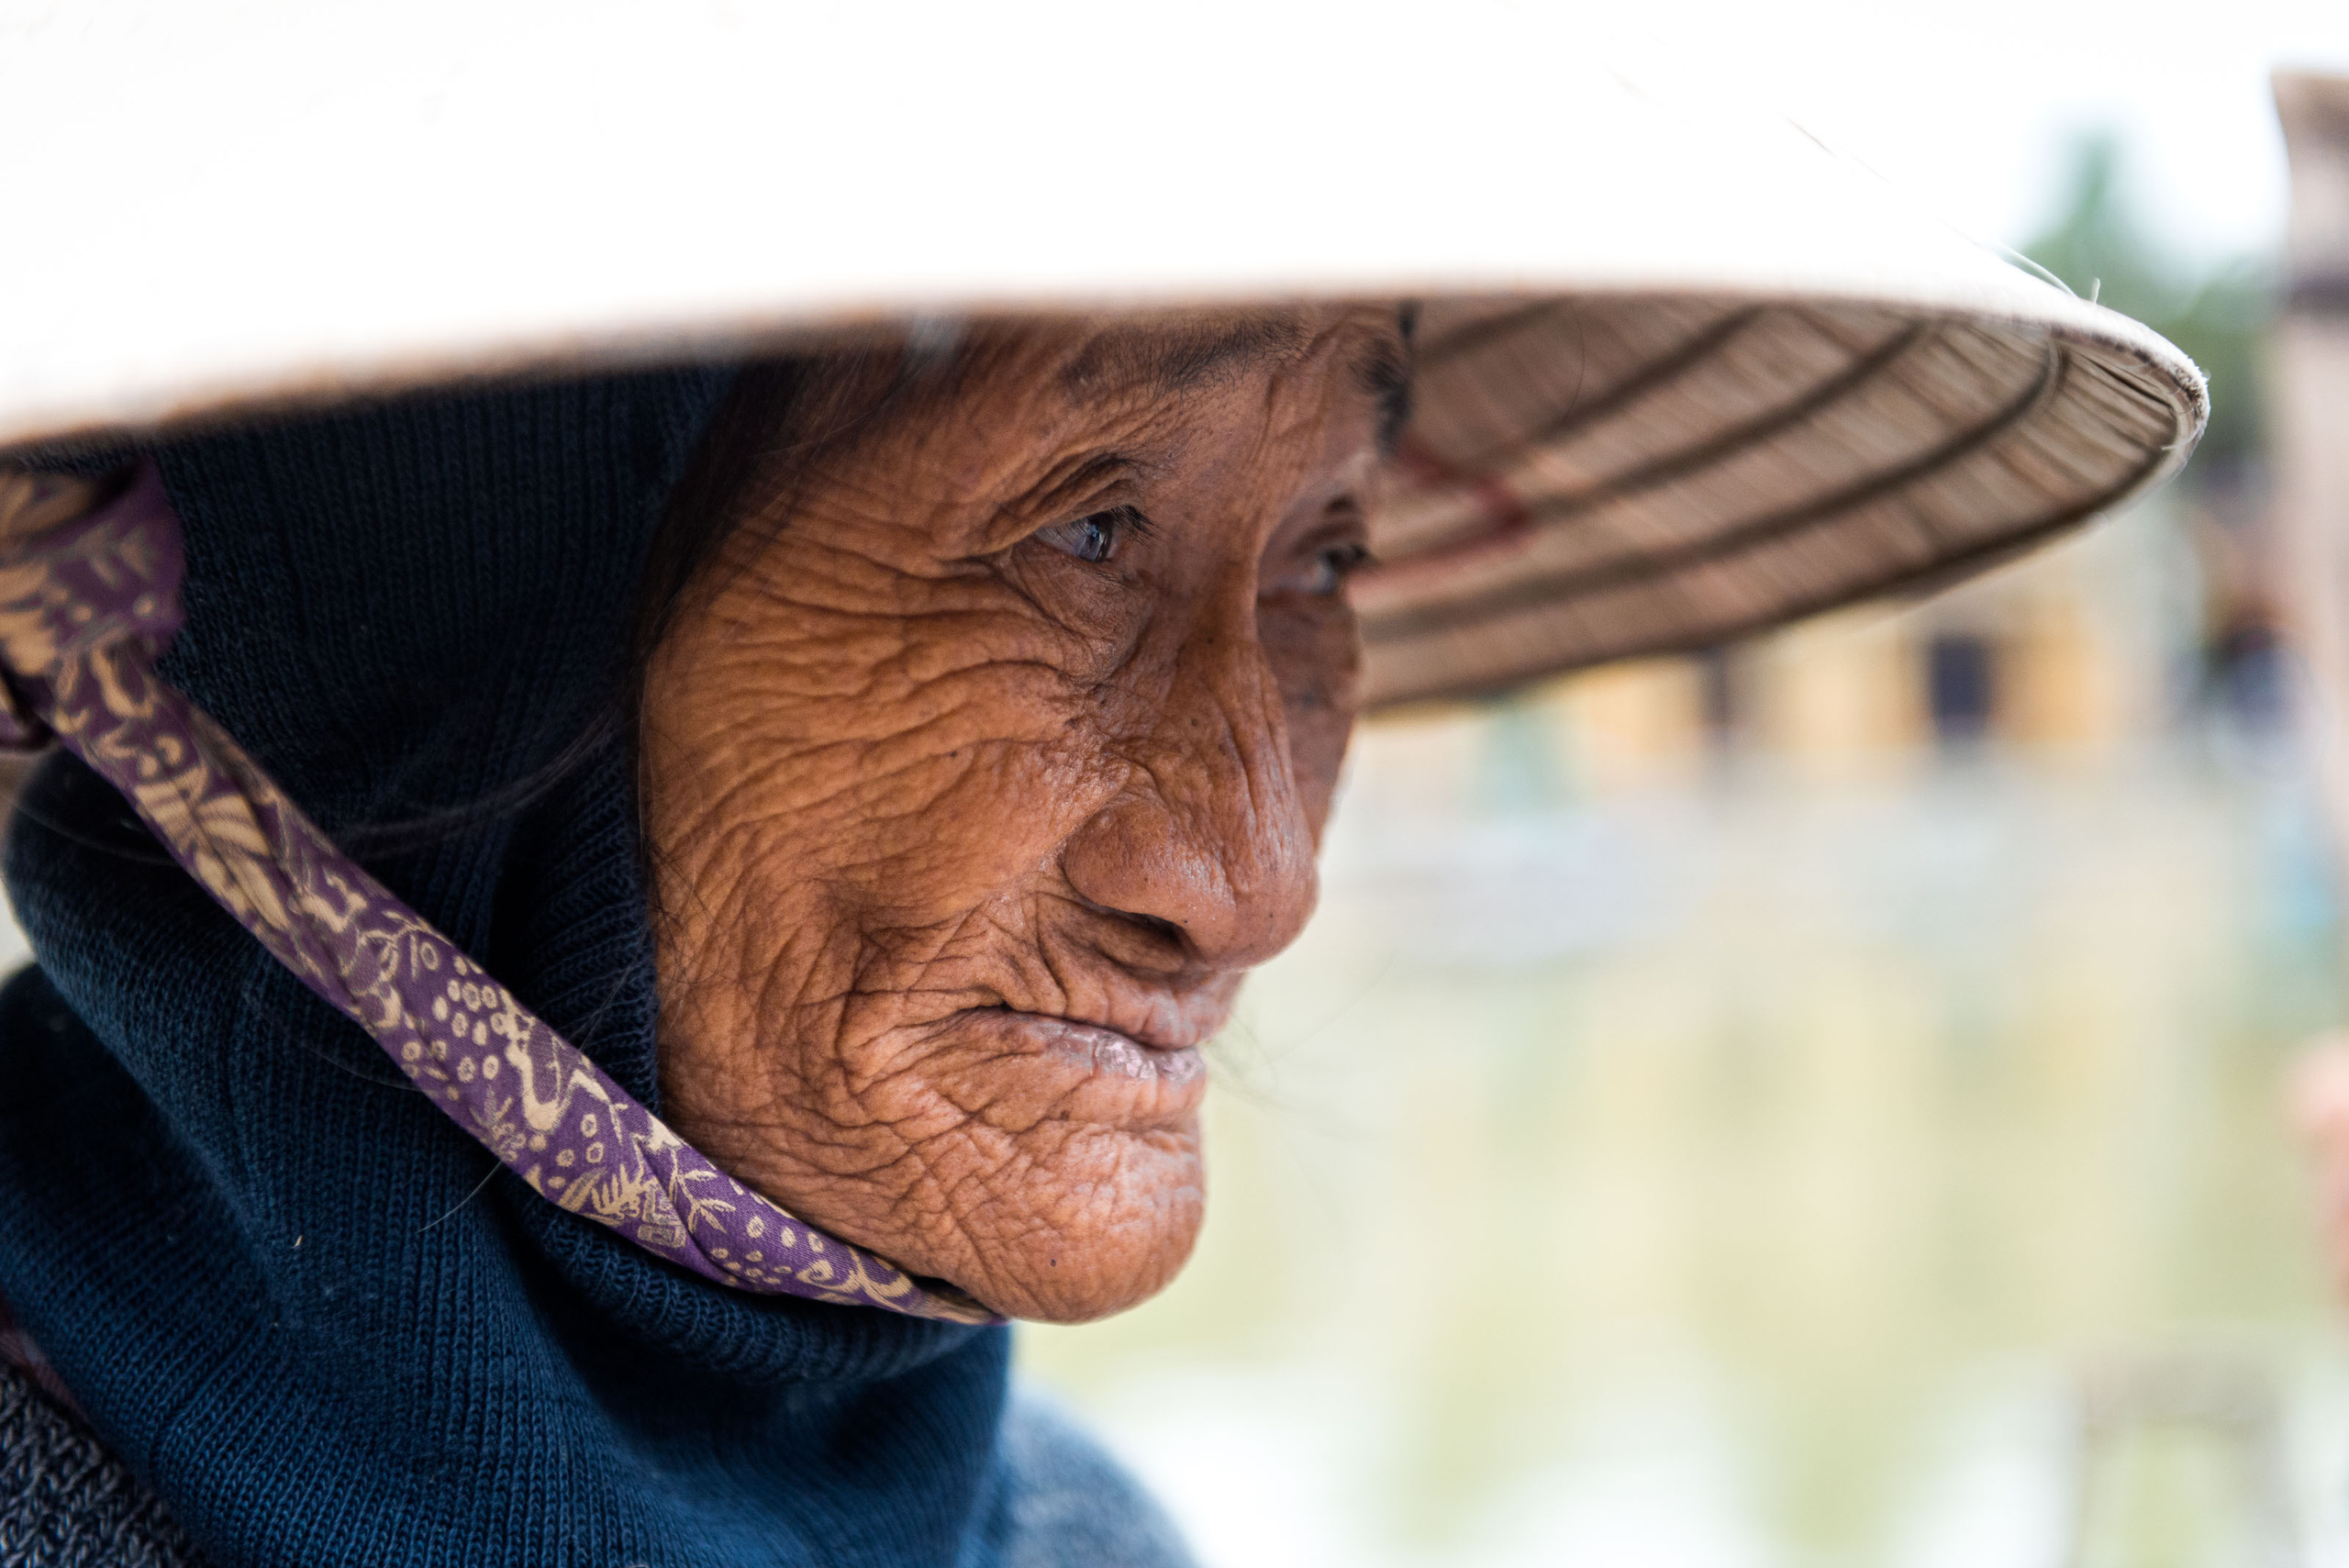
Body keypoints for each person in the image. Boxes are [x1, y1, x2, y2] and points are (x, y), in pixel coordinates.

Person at [0, 12, 2204, 1567]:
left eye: (1321, 556)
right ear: (452, 600)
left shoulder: (1072, 1540)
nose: (1254, 882)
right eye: (1078, 534)